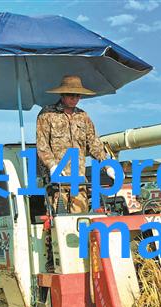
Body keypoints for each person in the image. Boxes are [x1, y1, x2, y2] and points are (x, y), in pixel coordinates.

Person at [36, 75, 116, 214]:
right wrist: (52, 165)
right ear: (62, 94)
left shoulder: (83, 116)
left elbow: (93, 143)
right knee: (58, 223)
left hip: (79, 181)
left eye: (77, 95)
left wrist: (107, 165)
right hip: (56, 179)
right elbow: (42, 144)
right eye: (70, 95)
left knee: (81, 221)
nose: (74, 99)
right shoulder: (47, 114)